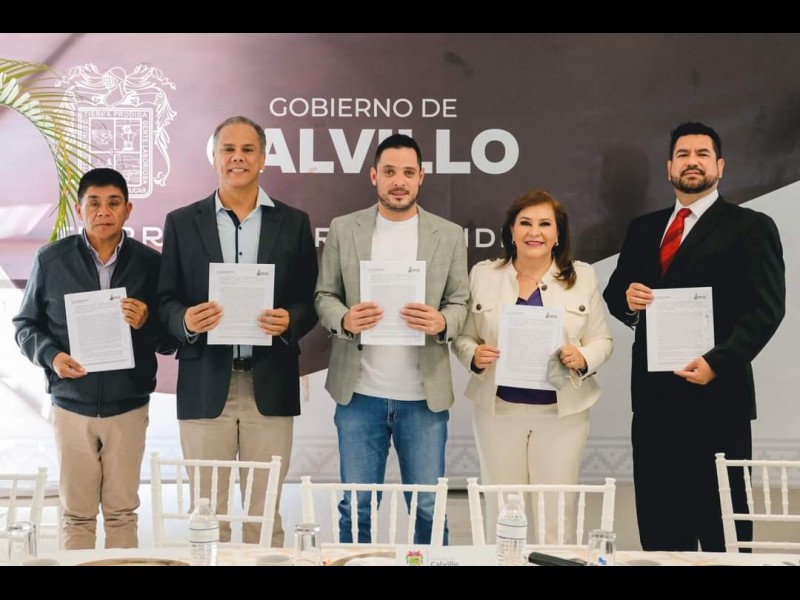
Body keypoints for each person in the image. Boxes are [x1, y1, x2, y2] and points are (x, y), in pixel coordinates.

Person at [603, 122, 785, 551]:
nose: (692, 162)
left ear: (720, 166)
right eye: (683, 154)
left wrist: (716, 363)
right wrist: (628, 300)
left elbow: (766, 310)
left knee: (724, 531)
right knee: (662, 534)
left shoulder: (751, 226)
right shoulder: (644, 228)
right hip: (654, 404)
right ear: (669, 167)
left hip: (718, 401)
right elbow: (616, 293)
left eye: (702, 154)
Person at [158, 116, 318, 546]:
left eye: (248, 150)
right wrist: (186, 321)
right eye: (228, 149)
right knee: (206, 515)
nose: (238, 158)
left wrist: (290, 320)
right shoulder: (181, 222)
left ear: (263, 158)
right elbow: (165, 299)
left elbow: (310, 300)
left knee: (263, 518)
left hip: (270, 382)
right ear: (214, 157)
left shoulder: (294, 222)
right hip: (205, 382)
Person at [314, 133, 469, 544]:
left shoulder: (448, 234)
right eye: (389, 172)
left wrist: (442, 321)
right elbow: (324, 296)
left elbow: (461, 302)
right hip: (359, 395)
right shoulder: (344, 229)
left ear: (421, 177)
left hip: (423, 399)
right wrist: (345, 318)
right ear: (373, 176)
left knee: (428, 506)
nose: (398, 181)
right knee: (356, 506)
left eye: (407, 173)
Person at [13, 167, 171, 549]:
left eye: (113, 203)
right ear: (79, 210)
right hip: (71, 406)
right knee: (77, 515)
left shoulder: (150, 263)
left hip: (128, 407)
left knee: (122, 513)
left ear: (128, 210)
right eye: (94, 203)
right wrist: (52, 357)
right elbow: (25, 325)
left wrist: (147, 321)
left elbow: (170, 340)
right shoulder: (51, 260)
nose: (104, 211)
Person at [452, 190, 613, 544]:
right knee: (502, 513)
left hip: (562, 416)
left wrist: (583, 357)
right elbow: (463, 337)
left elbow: (603, 340)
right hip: (498, 412)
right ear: (511, 231)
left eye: (544, 224)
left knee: (555, 514)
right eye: (524, 223)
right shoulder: (483, 275)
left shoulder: (582, 276)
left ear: (558, 234)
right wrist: (473, 355)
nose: (534, 232)